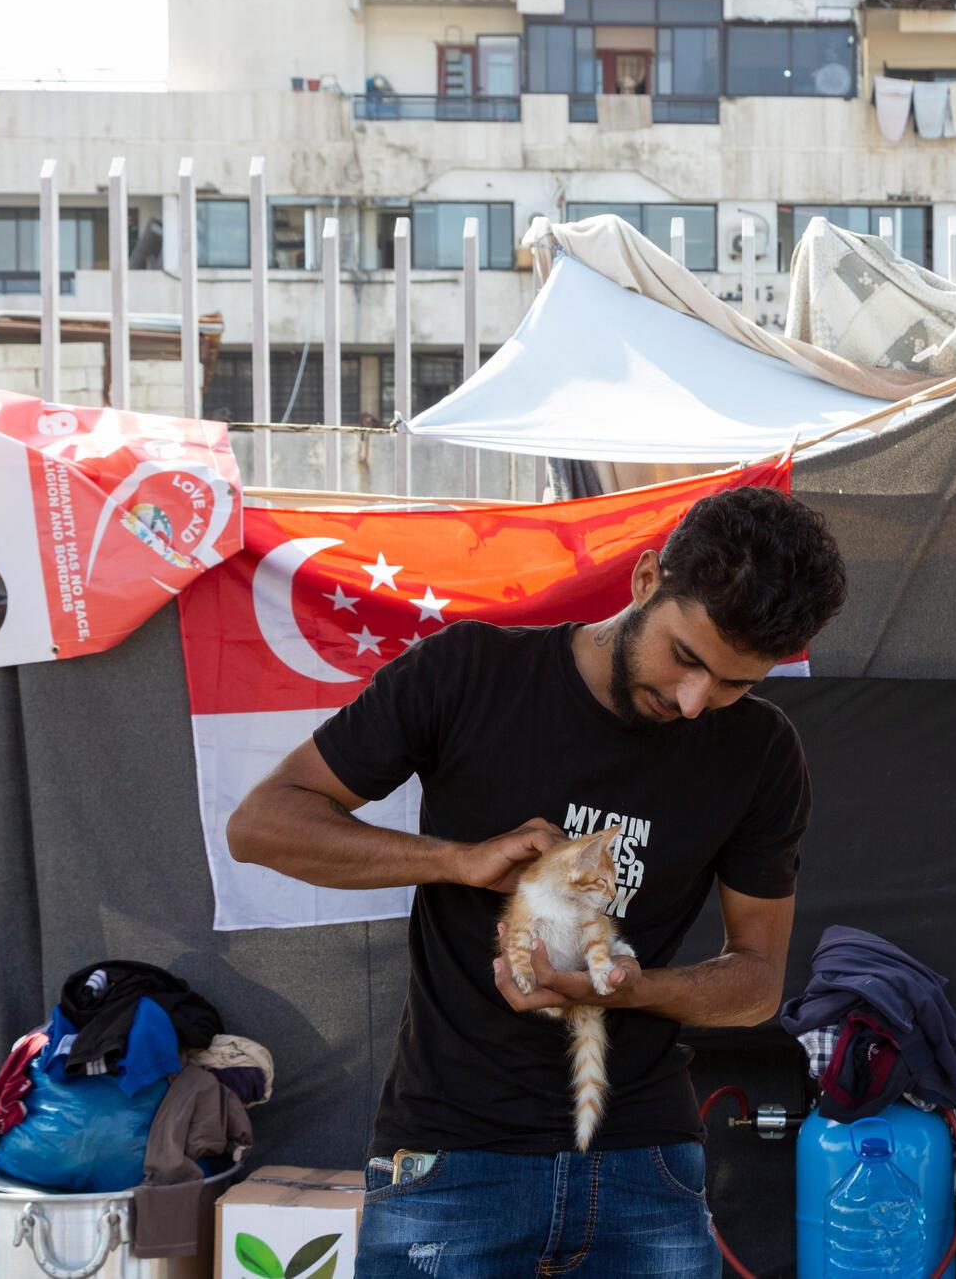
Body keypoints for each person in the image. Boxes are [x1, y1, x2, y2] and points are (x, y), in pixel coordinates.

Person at [227, 486, 847, 1279]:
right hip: (454, 1159)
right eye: (687, 658)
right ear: (647, 579)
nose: (695, 703)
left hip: (645, 1160)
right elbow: (262, 823)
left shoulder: (762, 752)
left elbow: (758, 980)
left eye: (733, 684)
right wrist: (457, 859)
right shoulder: (471, 671)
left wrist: (625, 987)